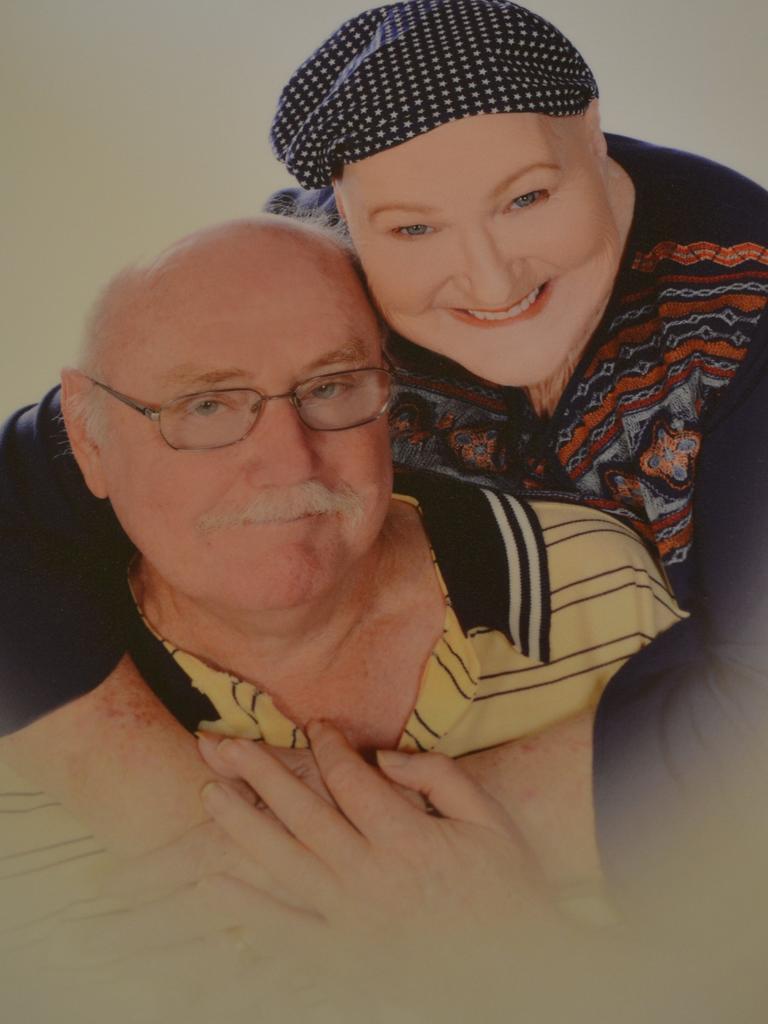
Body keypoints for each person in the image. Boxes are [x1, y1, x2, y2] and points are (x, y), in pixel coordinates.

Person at [1, 0, 767, 898]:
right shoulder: (320, 293)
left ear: (594, 135)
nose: (490, 279)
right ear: (345, 218)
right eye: (411, 228)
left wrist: (369, 853)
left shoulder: (743, 308)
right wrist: (184, 820)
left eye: (527, 199)